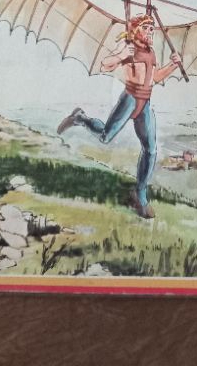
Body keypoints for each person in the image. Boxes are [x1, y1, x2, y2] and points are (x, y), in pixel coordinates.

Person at [56, 14, 182, 219]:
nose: (151, 32)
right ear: (136, 30)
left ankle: (140, 194)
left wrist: (172, 65)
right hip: (129, 99)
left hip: (145, 102)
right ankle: (80, 118)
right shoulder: (127, 46)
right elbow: (105, 64)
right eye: (146, 28)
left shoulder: (150, 51)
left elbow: (155, 78)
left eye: (152, 29)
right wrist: (121, 55)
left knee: (150, 149)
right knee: (106, 136)